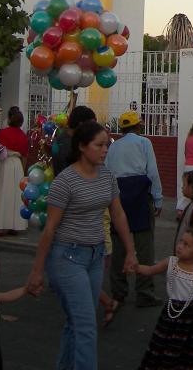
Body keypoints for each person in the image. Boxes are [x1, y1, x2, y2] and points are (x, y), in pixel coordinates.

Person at [27, 121, 137, 370]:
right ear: (82, 147)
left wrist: (131, 251)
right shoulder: (65, 181)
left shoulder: (107, 176)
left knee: (75, 323)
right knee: (86, 325)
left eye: (106, 145)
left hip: (96, 255)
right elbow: (50, 228)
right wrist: (37, 270)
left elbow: (118, 214)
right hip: (68, 257)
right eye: (99, 145)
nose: (105, 150)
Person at [136, 227, 193, 369]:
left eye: (186, 245)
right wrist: (137, 267)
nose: (180, 246)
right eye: (181, 241)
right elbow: (151, 270)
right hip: (173, 312)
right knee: (168, 342)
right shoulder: (171, 262)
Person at [106, 110, 163, 309]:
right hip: (140, 194)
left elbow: (106, 172)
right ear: (138, 126)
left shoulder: (113, 147)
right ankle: (144, 292)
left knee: (118, 244)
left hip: (118, 195)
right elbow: (152, 172)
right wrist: (158, 199)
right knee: (144, 245)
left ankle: (118, 291)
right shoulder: (144, 143)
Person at [0, 107, 29, 236]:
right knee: (16, 195)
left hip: (5, 164)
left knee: (2, 193)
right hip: (17, 165)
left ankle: (0, 225)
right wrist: (23, 171)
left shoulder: (3, 133)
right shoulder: (23, 136)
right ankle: (14, 225)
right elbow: (25, 156)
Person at [52, 106, 97, 177]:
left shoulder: (61, 138)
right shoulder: (70, 144)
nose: (93, 130)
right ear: (81, 124)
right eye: (91, 126)